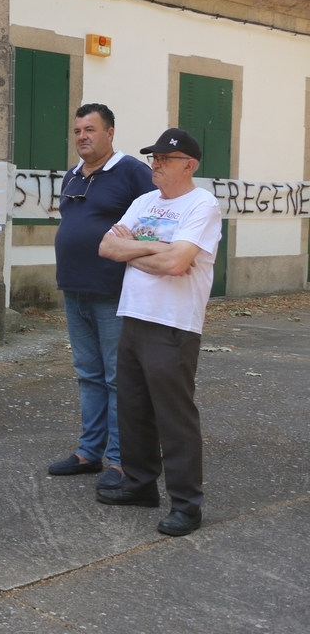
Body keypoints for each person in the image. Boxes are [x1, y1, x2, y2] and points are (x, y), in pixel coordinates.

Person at [96, 128, 220, 537]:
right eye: (154, 158)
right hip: (134, 315)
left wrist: (135, 250)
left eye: (166, 159)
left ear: (190, 165)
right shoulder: (144, 201)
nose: (156, 164)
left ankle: (186, 504)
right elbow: (106, 248)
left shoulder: (202, 205)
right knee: (133, 408)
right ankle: (140, 484)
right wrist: (157, 249)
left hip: (173, 323)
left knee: (174, 416)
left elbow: (177, 264)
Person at [47, 104, 154, 490]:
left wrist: (137, 244)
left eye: (90, 129)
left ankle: (121, 461)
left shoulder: (132, 172)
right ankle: (89, 453)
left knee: (117, 378)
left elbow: (156, 221)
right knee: (88, 374)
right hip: (74, 288)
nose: (82, 136)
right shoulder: (73, 175)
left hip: (113, 292)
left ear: (110, 133)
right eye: (77, 130)